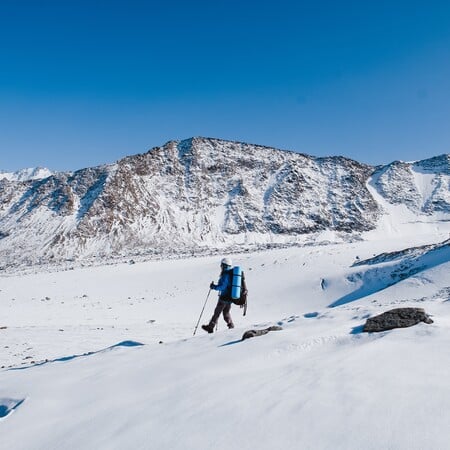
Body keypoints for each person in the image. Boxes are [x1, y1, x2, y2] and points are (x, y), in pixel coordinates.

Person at [202, 257, 235, 333]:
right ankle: (231, 325)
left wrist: (213, 286)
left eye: (222, 265)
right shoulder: (230, 274)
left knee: (217, 312)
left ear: (224, 265)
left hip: (224, 297)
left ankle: (210, 327)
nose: (221, 266)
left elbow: (222, 287)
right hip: (230, 298)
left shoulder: (225, 275)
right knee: (226, 313)